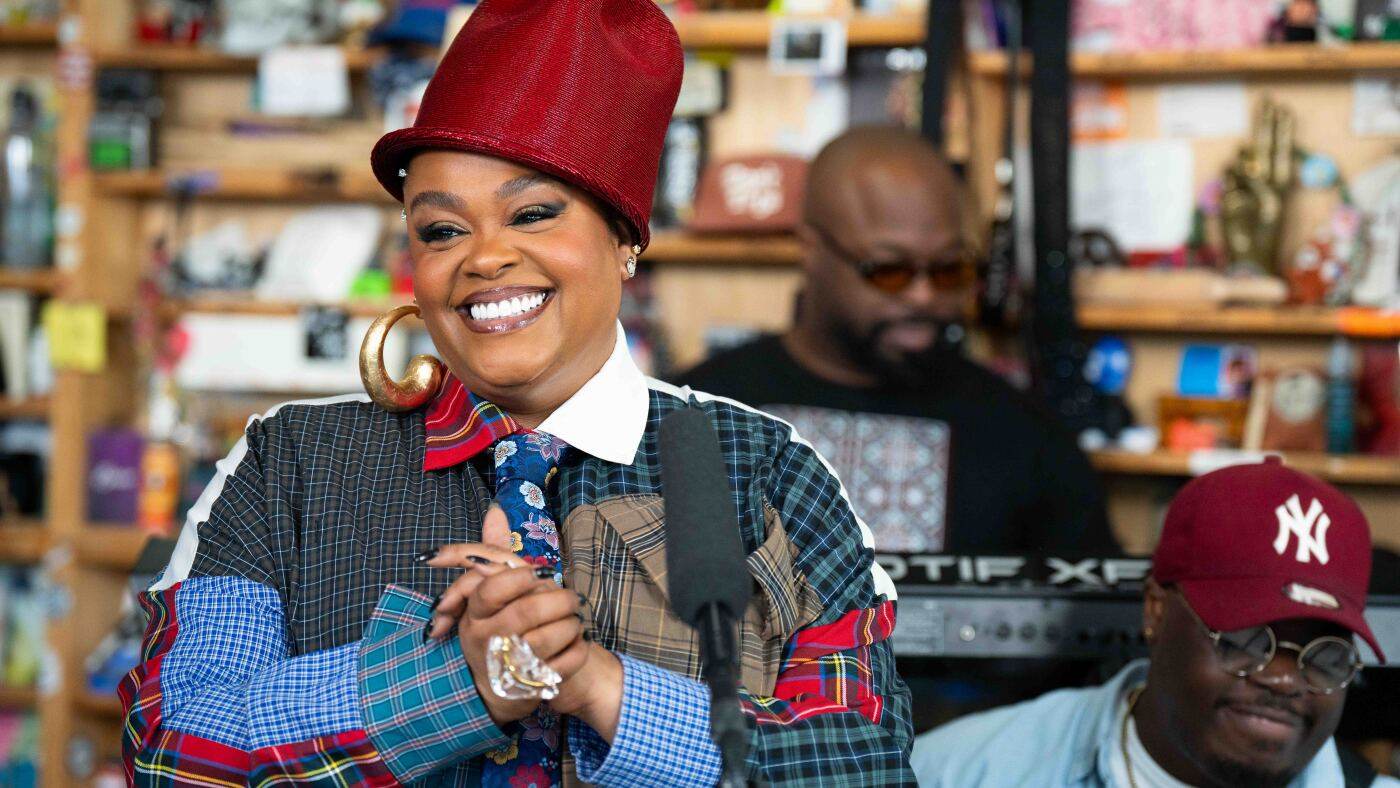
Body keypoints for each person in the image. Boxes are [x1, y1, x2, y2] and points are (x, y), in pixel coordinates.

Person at [117, 1, 914, 786]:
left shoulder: (760, 467)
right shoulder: (292, 462)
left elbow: (864, 763)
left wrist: (599, 687)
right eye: (441, 230)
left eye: (532, 214)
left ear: (624, 237)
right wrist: (453, 686)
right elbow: (170, 757)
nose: (484, 257)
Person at [677, 127, 1115, 555]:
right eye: (889, 270)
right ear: (810, 250)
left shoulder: (1028, 437)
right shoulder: (694, 414)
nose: (923, 296)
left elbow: (1085, 596)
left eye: (948, 270)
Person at [912, 457, 1395, 788]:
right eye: (1246, 640)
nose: (1284, 680)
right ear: (1156, 610)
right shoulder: (958, 772)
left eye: (1325, 658)